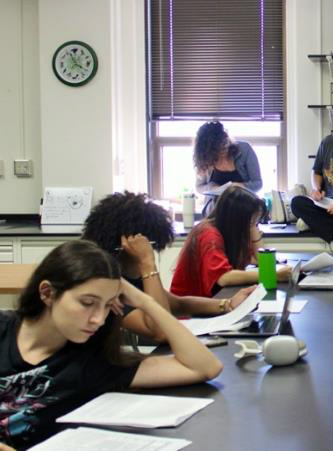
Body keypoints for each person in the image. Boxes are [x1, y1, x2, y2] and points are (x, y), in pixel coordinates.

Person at [0, 240, 222, 449]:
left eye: (107, 306)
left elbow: (205, 367)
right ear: (47, 293)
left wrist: (145, 302)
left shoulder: (93, 360)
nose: (98, 318)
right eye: (87, 303)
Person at [82, 191, 256, 342]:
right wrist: (147, 264)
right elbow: (161, 332)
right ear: (129, 244)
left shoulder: (128, 273)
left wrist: (227, 304)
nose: (153, 252)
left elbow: (177, 303)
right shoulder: (103, 280)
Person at [170, 186, 291, 298]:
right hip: (189, 312)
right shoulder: (209, 235)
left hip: (214, 300)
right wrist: (272, 275)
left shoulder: (230, 232)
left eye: (256, 221)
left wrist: (253, 227)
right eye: (251, 221)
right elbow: (223, 277)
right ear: (236, 219)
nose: (253, 225)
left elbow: (258, 259)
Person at [194, 120, 262, 213]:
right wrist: (212, 187)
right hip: (214, 214)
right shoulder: (206, 160)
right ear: (209, 150)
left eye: (225, 144)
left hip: (244, 211)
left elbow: (258, 184)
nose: (224, 150)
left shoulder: (245, 150)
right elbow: (199, 187)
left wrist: (240, 186)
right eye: (219, 149)